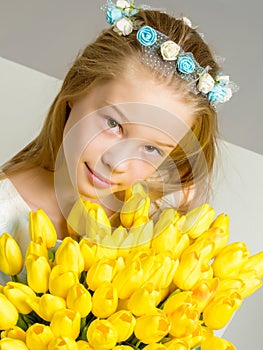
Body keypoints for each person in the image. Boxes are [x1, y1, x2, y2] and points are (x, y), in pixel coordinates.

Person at [0, 1, 235, 254]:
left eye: (151, 148)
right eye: (113, 124)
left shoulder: (155, 231)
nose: (118, 163)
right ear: (77, 88)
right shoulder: (5, 210)